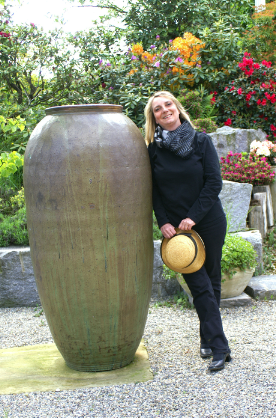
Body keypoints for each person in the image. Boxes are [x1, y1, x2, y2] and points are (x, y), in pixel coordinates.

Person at [145, 91, 231, 372]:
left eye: (168, 104)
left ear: (178, 108)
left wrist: (192, 217)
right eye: (158, 109)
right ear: (154, 117)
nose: (164, 110)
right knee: (199, 284)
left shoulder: (201, 140)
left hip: (208, 221)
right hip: (177, 233)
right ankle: (220, 347)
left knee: (212, 278)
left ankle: (207, 339)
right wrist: (164, 222)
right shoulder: (153, 150)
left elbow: (213, 183)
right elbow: (154, 191)